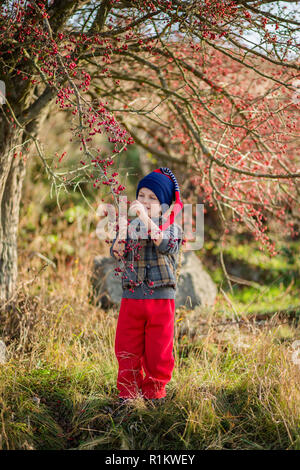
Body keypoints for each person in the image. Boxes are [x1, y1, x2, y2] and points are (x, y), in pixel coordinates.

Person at [110, 167, 184, 404]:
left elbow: (164, 244)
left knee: (158, 349)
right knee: (126, 345)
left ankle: (154, 394)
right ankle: (128, 395)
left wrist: (143, 217)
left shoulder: (172, 227)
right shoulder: (129, 227)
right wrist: (119, 239)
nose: (145, 201)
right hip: (132, 296)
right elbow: (117, 251)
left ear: (164, 205)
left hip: (161, 299)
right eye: (141, 195)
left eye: (152, 198)